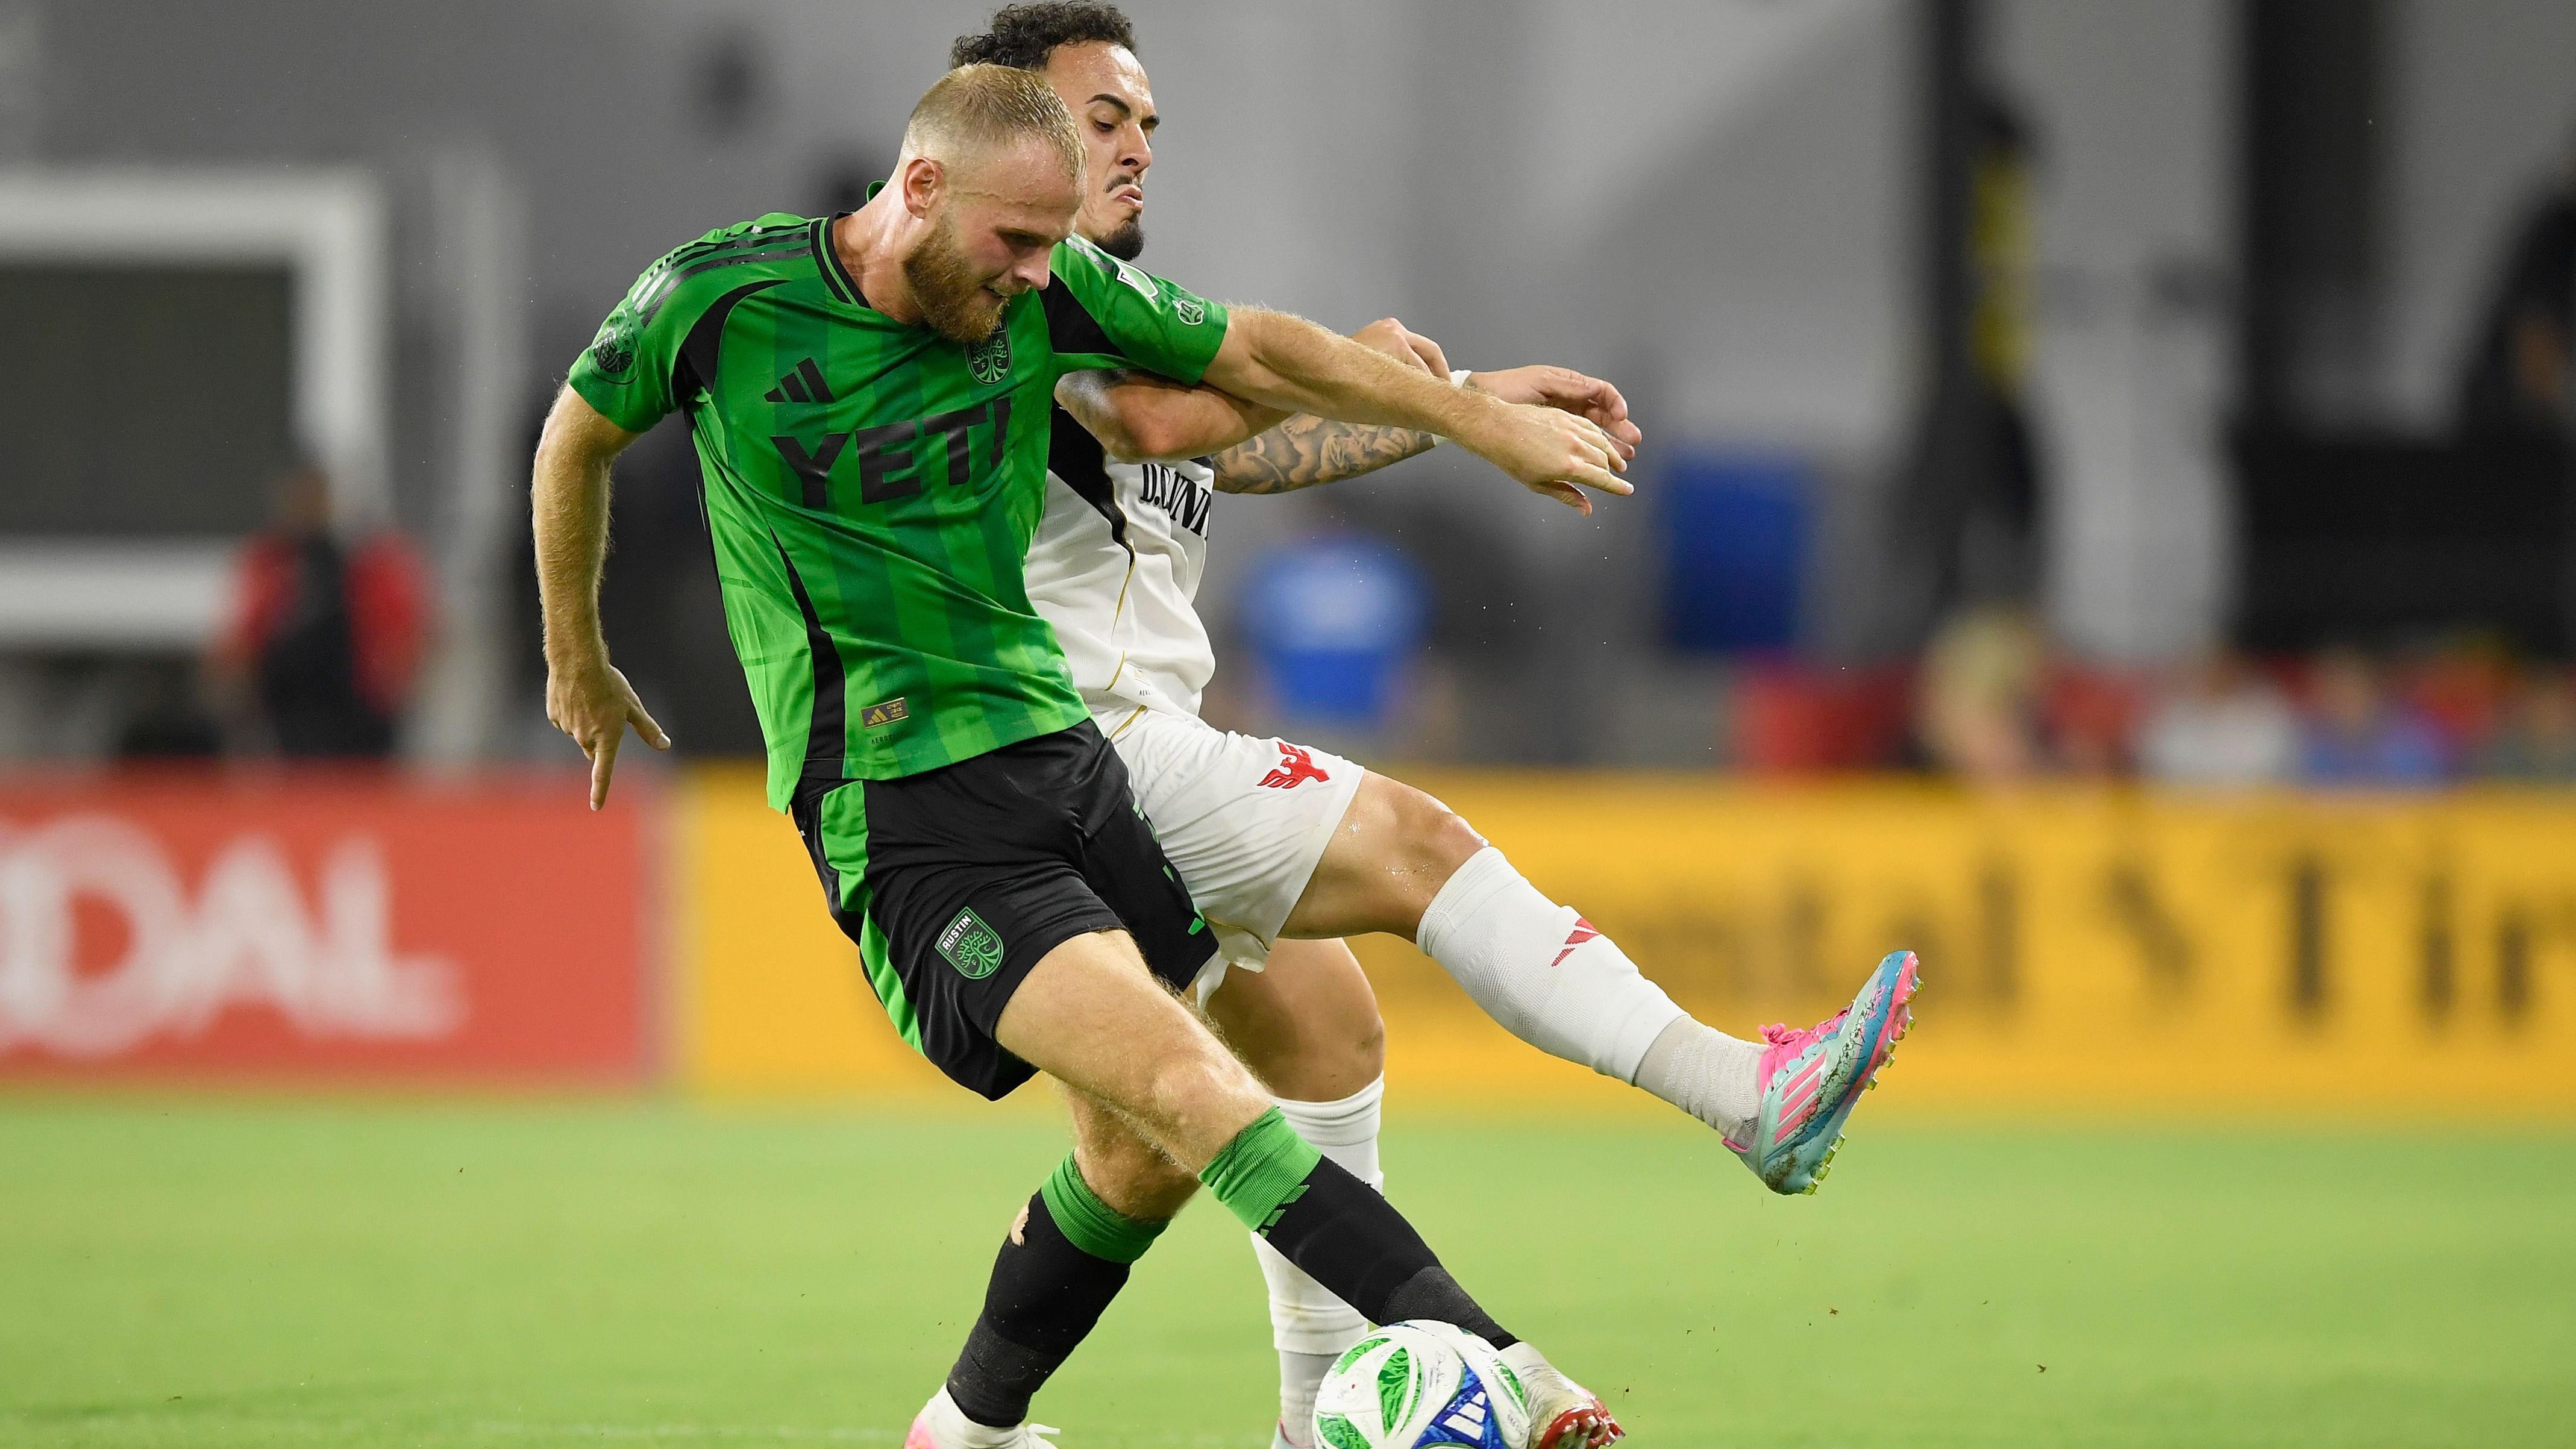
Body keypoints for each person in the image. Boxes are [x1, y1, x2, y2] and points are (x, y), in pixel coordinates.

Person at [531, 66, 1637, 1449]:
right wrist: (575, 656)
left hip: (1064, 768)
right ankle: (1503, 1370)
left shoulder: (1045, 293)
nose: (1035, 277)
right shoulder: (716, 300)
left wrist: (1471, 417)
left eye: (1052, 247)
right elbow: (574, 436)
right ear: (918, 187)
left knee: (1139, 1151)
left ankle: (967, 1425)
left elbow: (1258, 354)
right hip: (907, 816)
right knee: (1195, 1092)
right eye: (1013, 244)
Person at [953, 8, 1920, 1446]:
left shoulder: (1112, 317)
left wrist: (1441, 404)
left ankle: (971, 1426)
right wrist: (1417, 392)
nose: (1139, 148)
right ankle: (1741, 1092)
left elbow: (1236, 442)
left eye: (1149, 124)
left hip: (1113, 752)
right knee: (1416, 845)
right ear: (1013, 138)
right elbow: (1160, 424)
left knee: (1241, 1084)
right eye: (1106, 121)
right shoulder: (1003, 294)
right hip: (1075, 746)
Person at [208, 456, 431, 759]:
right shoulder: (272, 559)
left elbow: (401, 626)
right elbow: (247, 629)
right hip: (290, 708)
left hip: (358, 707)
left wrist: (394, 681)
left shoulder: (368, 557)